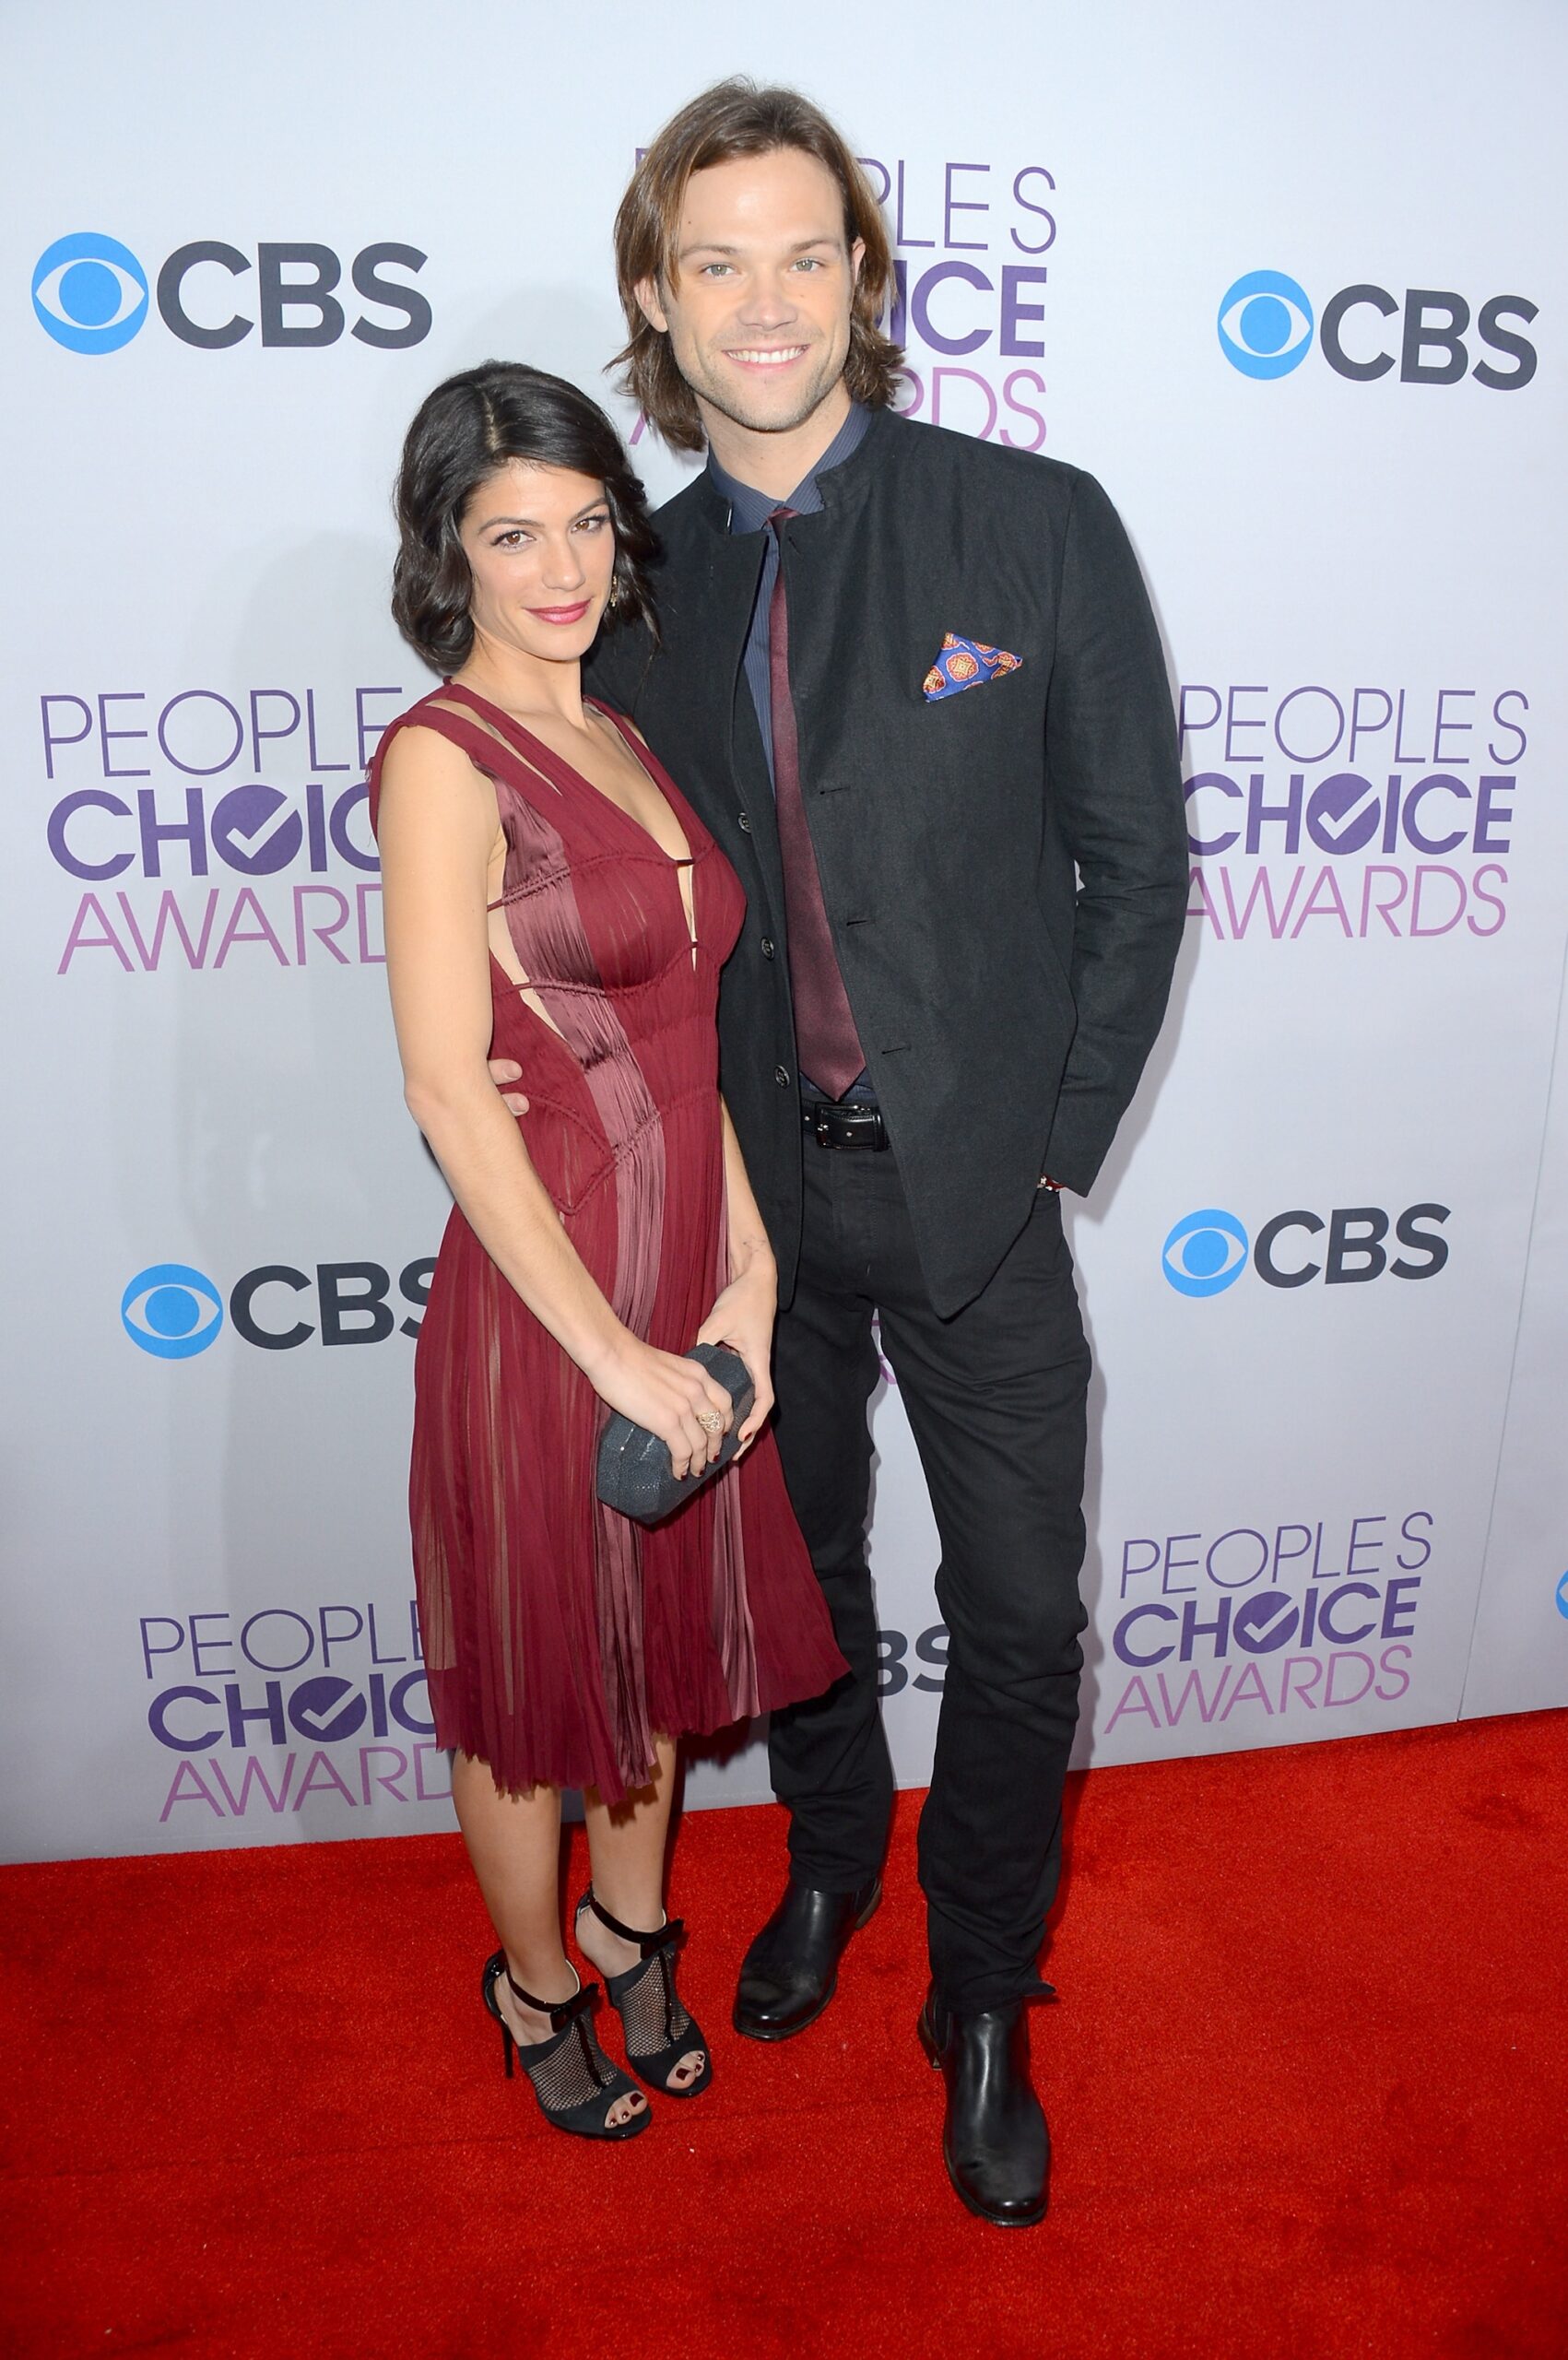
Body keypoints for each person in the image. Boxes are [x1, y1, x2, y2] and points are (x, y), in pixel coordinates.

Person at [487, 81, 1189, 2224]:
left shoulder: (1031, 520)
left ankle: (980, 1988)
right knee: (792, 1599)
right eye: (715, 263)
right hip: (744, 1217)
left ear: (863, 281)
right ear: (654, 302)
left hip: (972, 1194)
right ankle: (819, 1863)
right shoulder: (639, 583)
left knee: (1017, 1607)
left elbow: (1131, 862)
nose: (763, 302)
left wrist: (1051, 1142)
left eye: (803, 255)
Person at [371, 360, 845, 2143]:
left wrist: (747, 1281)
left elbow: (685, 1044)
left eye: (582, 523)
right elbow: (445, 1079)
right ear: (451, 552)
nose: (558, 568)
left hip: (679, 1278)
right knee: (535, 1694)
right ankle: (538, 1984)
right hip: (545, 1300)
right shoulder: (443, 757)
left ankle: (633, 1926)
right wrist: (613, 1356)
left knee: (646, 1662)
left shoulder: (625, 731)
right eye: (511, 533)